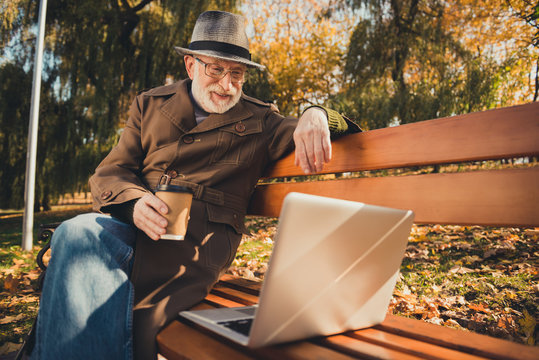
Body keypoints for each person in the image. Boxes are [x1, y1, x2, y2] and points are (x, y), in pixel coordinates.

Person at [29, 10, 360, 360]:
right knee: (75, 235)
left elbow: (343, 132)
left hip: (192, 249)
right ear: (191, 66)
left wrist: (316, 113)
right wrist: (134, 204)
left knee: (78, 249)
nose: (226, 84)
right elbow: (112, 171)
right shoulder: (150, 104)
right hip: (130, 230)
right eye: (215, 69)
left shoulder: (261, 119)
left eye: (237, 73)